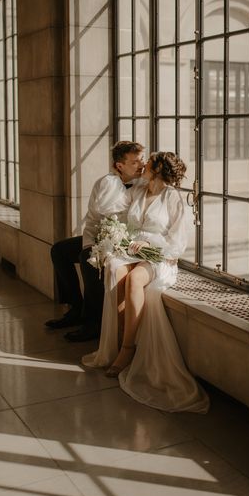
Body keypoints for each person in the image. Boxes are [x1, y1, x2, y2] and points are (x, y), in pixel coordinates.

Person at [82, 151, 209, 414]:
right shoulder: (138, 190)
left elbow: (177, 241)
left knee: (135, 280)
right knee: (115, 272)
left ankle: (128, 349)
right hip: (130, 250)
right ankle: (116, 344)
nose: (142, 166)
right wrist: (111, 231)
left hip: (159, 257)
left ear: (158, 170)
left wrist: (150, 246)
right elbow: (110, 209)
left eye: (147, 163)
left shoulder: (172, 198)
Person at [45, 141, 145, 341]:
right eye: (135, 162)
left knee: (86, 259)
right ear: (119, 165)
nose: (141, 164)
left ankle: (93, 323)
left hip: (129, 243)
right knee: (59, 250)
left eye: (142, 159)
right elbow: (93, 220)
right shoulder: (105, 183)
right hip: (101, 237)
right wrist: (91, 244)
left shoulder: (143, 185)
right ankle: (75, 308)